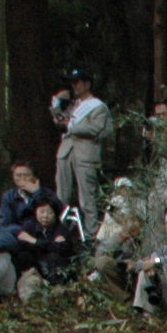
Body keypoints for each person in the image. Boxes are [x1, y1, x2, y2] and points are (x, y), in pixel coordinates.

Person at [51, 70, 110, 233]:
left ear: (87, 84)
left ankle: (91, 235)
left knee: (87, 199)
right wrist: (57, 106)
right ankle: (58, 232)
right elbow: (60, 122)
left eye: (77, 82)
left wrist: (72, 125)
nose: (73, 86)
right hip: (65, 152)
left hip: (85, 154)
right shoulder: (72, 105)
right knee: (61, 196)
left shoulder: (97, 106)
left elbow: (97, 128)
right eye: (72, 82)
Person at [13, 194, 85, 299]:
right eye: (42, 211)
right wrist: (50, 243)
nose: (45, 216)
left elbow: (62, 248)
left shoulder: (61, 229)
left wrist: (34, 241)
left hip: (55, 270)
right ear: (36, 211)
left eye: (50, 212)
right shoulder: (29, 225)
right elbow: (22, 244)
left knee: (55, 256)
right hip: (34, 269)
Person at [0, 161, 57, 230]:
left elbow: (52, 216)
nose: (22, 179)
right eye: (18, 175)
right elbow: (6, 223)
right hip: (18, 234)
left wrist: (37, 193)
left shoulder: (47, 193)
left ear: (34, 177)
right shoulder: (8, 196)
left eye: (26, 175)